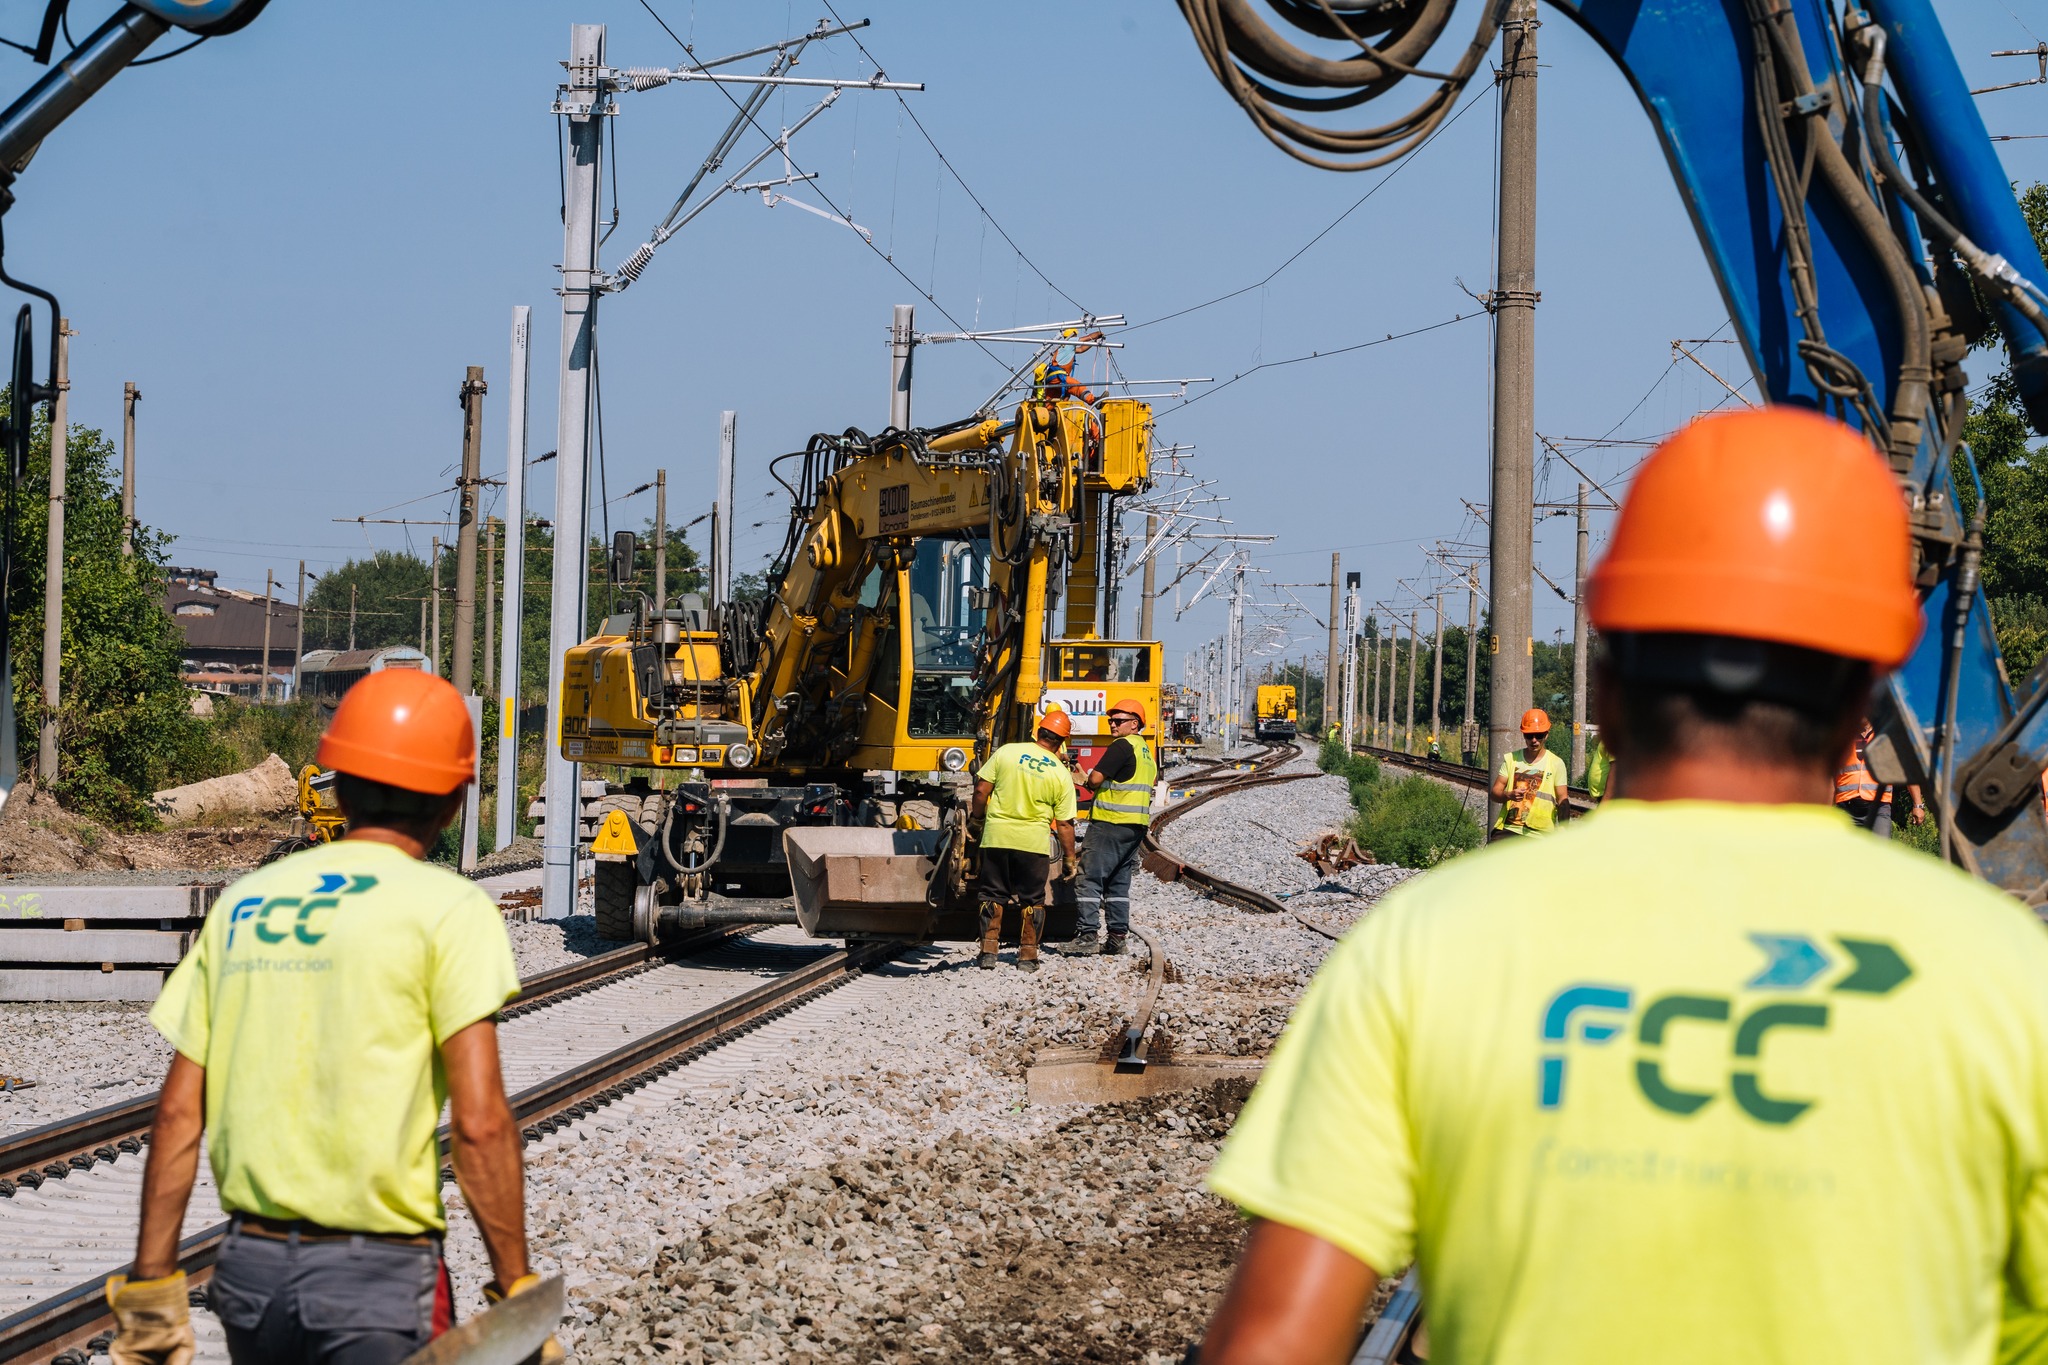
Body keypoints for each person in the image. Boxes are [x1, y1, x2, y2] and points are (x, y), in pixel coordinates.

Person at [1194, 406, 2048, 1365]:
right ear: (1862, 699)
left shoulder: (1431, 946)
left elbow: (1268, 1344)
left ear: (1603, 680)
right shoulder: (2010, 979)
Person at [107, 670, 548, 1365]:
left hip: (250, 1275)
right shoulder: (448, 909)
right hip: (376, 1283)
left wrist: (153, 1286)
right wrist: (516, 1290)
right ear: (456, 799)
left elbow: (177, 1117)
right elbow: (480, 1123)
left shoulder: (249, 904)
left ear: (338, 786)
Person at [969, 708, 1080, 973]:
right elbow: (1064, 824)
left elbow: (981, 789)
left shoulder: (1006, 752)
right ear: (1060, 741)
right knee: (1032, 900)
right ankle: (1027, 957)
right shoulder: (1059, 773)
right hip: (1032, 843)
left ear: (1038, 732)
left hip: (997, 837)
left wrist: (976, 819)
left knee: (992, 894)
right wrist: (1069, 859)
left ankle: (987, 953)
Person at [1059, 697, 1157, 957]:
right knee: (1117, 884)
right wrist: (1091, 780)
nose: (1112, 724)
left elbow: (1097, 779)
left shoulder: (1121, 746)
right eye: (1110, 720)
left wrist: (1087, 779)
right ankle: (1116, 938)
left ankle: (1087, 935)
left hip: (1110, 823)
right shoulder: (1145, 751)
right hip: (1135, 827)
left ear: (1134, 724)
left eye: (1118, 720)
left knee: (1088, 878)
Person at [1488, 708, 1569, 839]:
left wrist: (1563, 829)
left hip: (1541, 834)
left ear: (1546, 735)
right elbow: (1495, 793)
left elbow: (1562, 800)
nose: (1534, 740)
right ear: (1524, 735)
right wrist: (1508, 795)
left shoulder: (1556, 763)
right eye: (1529, 735)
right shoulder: (1511, 759)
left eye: (1539, 735)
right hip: (1509, 829)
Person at [1836, 717, 1925, 837]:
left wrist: (1918, 805)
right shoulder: (1843, 735)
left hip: (1879, 809)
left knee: (1881, 851)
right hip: (1846, 808)